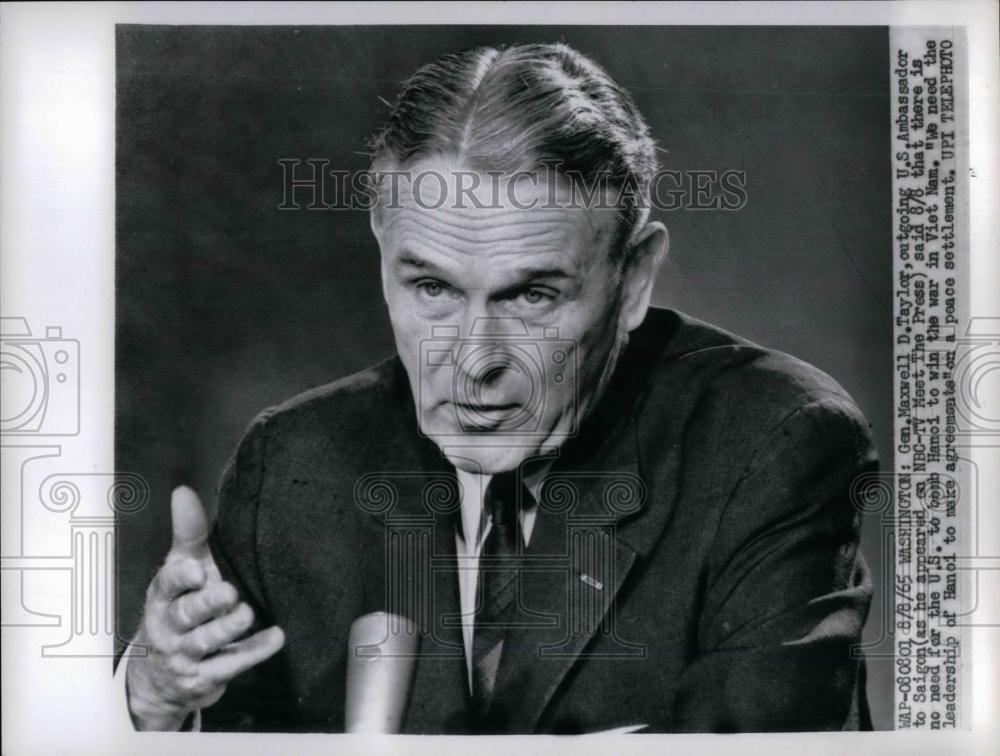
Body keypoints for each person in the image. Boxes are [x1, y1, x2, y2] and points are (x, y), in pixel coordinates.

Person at [122, 43, 876, 733]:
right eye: (432, 289)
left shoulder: (771, 442)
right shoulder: (294, 462)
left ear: (635, 276)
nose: (473, 361)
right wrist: (156, 697)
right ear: (384, 258)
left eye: (531, 297)